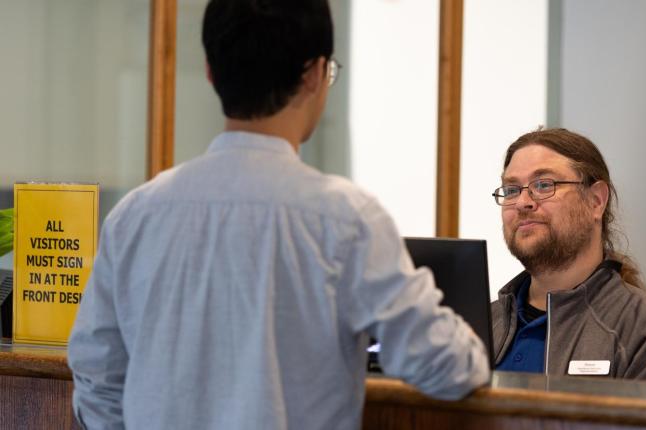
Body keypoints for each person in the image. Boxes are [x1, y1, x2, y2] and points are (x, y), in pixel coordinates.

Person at [67, 1, 489, 428]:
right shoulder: (347, 220)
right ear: (314, 74)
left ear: (212, 73)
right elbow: (445, 366)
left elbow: (97, 381)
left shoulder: (134, 217)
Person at [490, 128, 646, 383]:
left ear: (595, 201)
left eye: (544, 185)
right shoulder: (474, 330)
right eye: (512, 189)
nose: (523, 202)